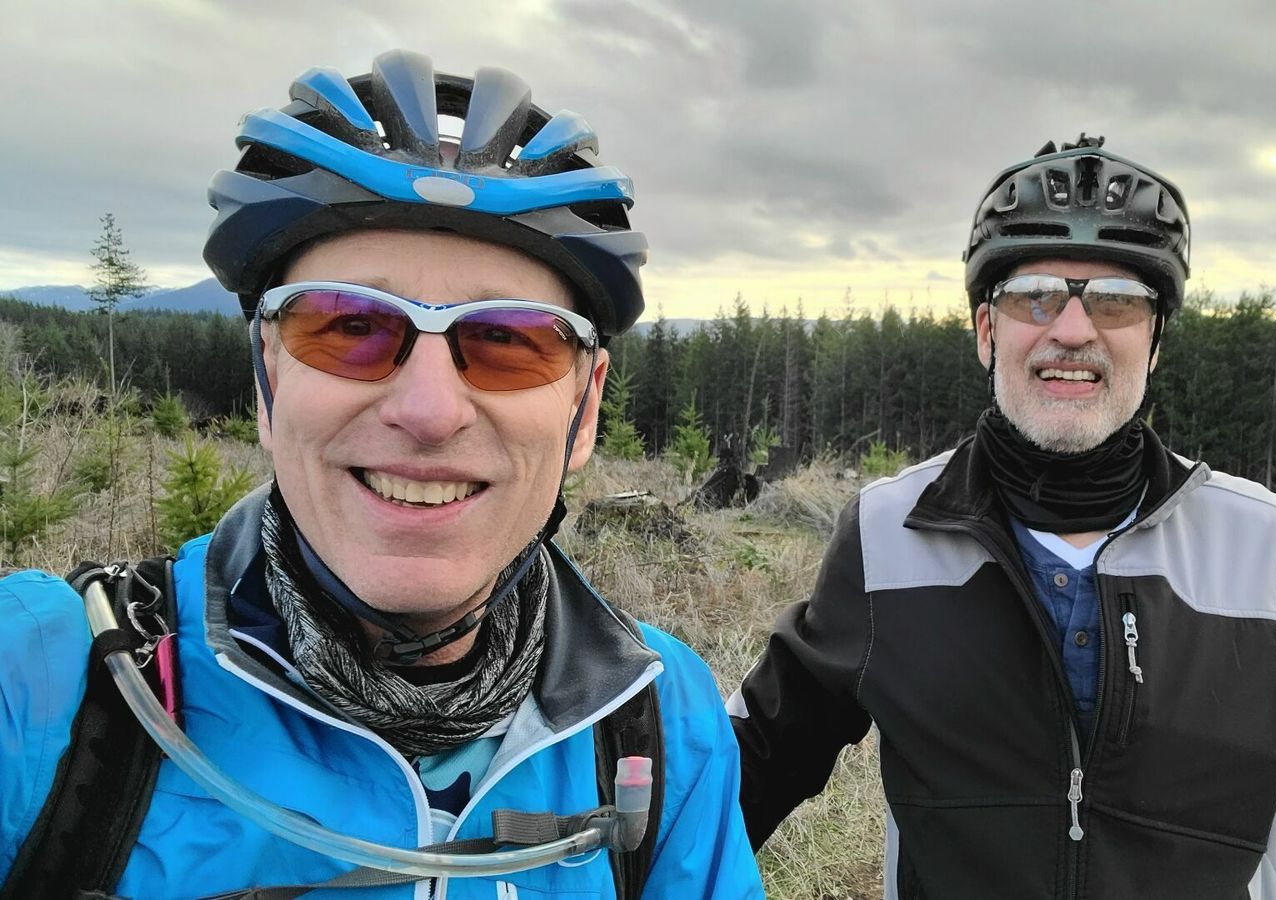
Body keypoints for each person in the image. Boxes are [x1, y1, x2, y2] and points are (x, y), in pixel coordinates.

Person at [0, 50, 761, 899]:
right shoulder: (44, 679)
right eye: (350, 326)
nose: (429, 411)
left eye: (508, 340)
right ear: (269, 380)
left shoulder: (659, 720)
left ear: (583, 411)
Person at [728, 136, 1276, 899]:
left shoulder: (1264, 549)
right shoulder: (885, 538)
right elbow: (743, 764)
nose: (1073, 331)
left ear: (1155, 341)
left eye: (1116, 300)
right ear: (986, 331)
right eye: (1035, 295)